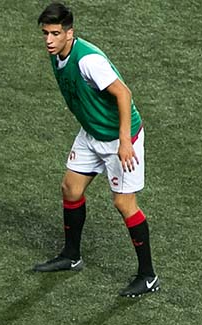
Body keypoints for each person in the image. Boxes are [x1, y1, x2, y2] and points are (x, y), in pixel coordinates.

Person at [34, 2, 161, 297]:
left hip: (118, 138)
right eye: (45, 33)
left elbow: (123, 94)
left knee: (124, 204)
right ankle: (71, 255)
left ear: (69, 33)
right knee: (71, 189)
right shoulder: (58, 54)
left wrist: (125, 141)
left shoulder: (88, 61)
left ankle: (148, 275)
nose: (49, 40)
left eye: (55, 33)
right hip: (92, 132)